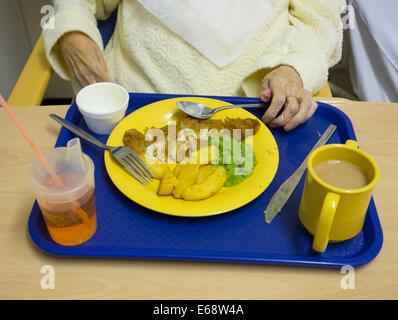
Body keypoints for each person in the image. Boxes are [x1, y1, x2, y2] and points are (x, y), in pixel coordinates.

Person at [43, 0, 345, 131]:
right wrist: (72, 33)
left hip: (256, 117)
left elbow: (320, 22)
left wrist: (291, 70)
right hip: (128, 115)